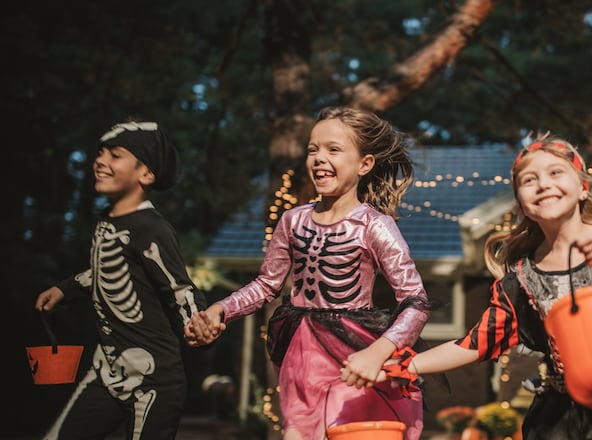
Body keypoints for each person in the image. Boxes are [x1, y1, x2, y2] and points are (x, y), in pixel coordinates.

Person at [356, 134, 592, 439]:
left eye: (556, 173)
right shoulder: (522, 277)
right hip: (558, 418)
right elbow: (476, 342)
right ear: (521, 202)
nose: (543, 184)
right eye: (529, 180)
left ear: (582, 187)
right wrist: (408, 365)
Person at [186, 106, 433, 440]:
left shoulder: (375, 225)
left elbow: (416, 301)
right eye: (313, 149)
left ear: (365, 164)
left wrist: (378, 352)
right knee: (298, 434)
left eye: (333, 149)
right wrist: (221, 310)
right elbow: (266, 284)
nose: (318, 158)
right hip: (299, 350)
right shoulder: (293, 220)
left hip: (353, 352)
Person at [35, 121, 207, 440]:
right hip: (107, 370)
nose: (100, 161)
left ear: (146, 174)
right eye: (100, 154)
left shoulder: (153, 228)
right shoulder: (106, 220)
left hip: (154, 381)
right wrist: (65, 288)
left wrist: (198, 323)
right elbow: (108, 271)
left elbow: (179, 288)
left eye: (115, 155)